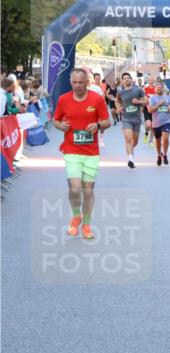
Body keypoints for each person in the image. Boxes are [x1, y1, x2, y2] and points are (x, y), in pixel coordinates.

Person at [51, 68, 111, 240]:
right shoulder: (63, 100)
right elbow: (55, 119)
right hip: (72, 150)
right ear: (71, 82)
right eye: (74, 82)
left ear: (87, 83)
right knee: (75, 188)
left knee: (88, 191)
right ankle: (76, 215)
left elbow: (107, 121)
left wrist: (98, 126)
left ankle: (86, 225)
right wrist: (59, 125)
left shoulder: (96, 99)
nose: (77, 85)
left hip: (91, 153)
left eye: (80, 82)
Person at [115, 72, 147, 169]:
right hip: (126, 119)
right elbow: (117, 101)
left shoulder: (138, 90)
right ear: (122, 81)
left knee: (135, 142)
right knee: (128, 139)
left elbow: (146, 101)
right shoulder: (120, 92)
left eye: (128, 78)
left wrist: (139, 101)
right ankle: (130, 159)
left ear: (131, 79)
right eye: (124, 78)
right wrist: (119, 108)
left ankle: (130, 151)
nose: (126, 80)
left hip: (137, 119)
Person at [146, 82, 170, 166]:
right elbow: (150, 110)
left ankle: (165, 155)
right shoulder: (152, 98)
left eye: (160, 87)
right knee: (158, 141)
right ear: (155, 89)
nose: (159, 89)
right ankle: (159, 155)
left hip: (166, 121)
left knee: (165, 138)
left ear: (163, 89)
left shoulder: (167, 97)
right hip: (156, 123)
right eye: (157, 87)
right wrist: (159, 104)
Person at [141, 77, 156, 145]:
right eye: (150, 81)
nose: (151, 82)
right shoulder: (145, 89)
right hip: (146, 109)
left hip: (154, 109)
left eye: (152, 81)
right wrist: (142, 105)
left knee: (153, 126)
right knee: (148, 125)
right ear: (148, 82)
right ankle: (146, 133)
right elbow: (141, 98)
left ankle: (151, 141)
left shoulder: (156, 89)